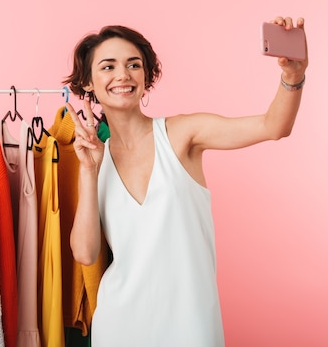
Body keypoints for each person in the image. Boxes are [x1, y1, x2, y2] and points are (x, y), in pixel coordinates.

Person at [63, 17, 308, 347]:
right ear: (88, 83)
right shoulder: (95, 158)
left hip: (190, 326)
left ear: (146, 77)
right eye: (108, 67)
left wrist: (292, 77)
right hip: (119, 327)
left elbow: (272, 126)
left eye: (133, 64)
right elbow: (85, 253)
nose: (122, 75)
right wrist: (89, 171)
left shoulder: (182, 134)